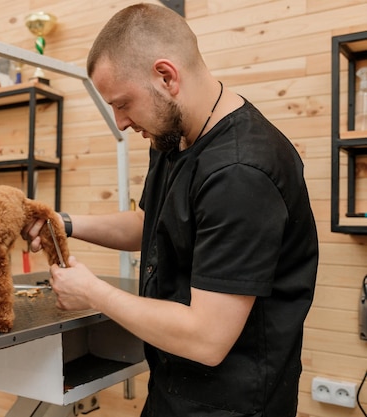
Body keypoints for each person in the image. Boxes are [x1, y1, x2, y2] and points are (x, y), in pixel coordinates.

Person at [22, 3, 318, 417]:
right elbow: (151, 222)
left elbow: (206, 339)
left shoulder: (240, 173)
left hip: (232, 405)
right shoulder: (172, 136)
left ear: (166, 77)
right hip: (173, 388)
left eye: (123, 103)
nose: (120, 122)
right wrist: (65, 223)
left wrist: (93, 293)